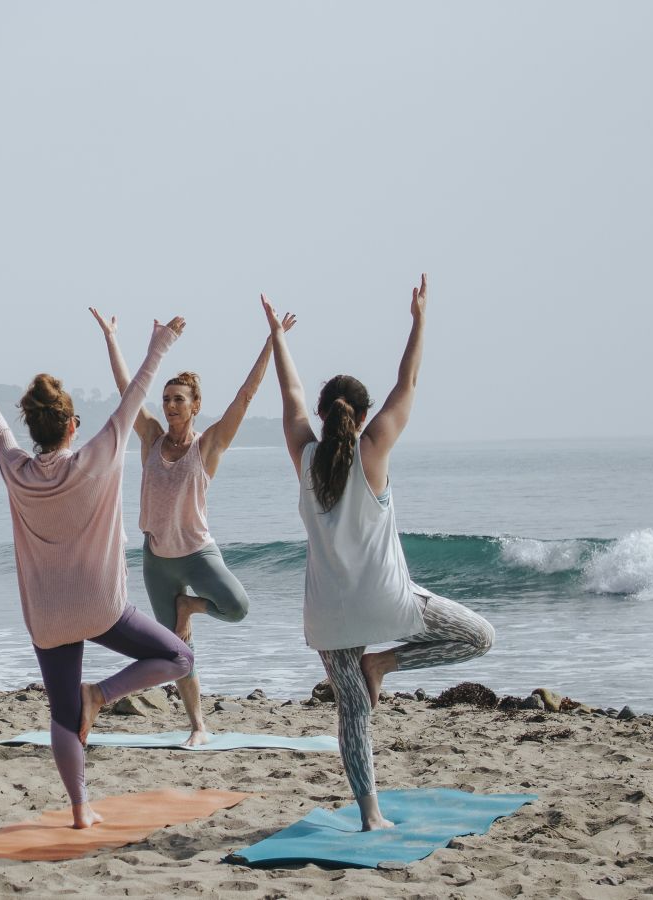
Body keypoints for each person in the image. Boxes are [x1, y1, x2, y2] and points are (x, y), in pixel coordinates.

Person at [0, 316, 194, 829]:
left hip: (48, 617)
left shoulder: (14, 467)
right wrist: (160, 344)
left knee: (61, 717)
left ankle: (80, 812)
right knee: (179, 657)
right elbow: (135, 397)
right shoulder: (96, 458)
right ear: (73, 425)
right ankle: (100, 695)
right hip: (101, 607)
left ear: (33, 431)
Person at [264, 276, 494, 830]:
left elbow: (289, 397)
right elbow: (408, 381)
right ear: (362, 417)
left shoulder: (305, 457)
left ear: (323, 416)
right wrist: (418, 321)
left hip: (328, 615)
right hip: (389, 603)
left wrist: (278, 338)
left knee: (352, 714)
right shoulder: (375, 450)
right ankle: (385, 661)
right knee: (479, 637)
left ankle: (371, 815)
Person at [88, 307, 295, 746]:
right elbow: (130, 390)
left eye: (179, 399)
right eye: (166, 399)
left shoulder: (210, 446)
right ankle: (198, 725)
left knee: (237, 607)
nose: (169, 405)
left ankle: (191, 606)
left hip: (199, 555)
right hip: (157, 561)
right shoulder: (149, 438)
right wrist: (111, 338)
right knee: (179, 655)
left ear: (196, 405)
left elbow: (246, 396)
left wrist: (271, 341)